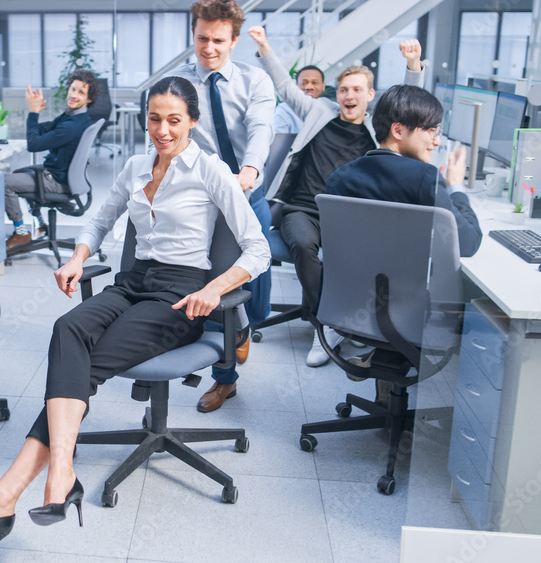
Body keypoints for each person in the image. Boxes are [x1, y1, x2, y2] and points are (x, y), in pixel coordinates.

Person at [0, 76, 270, 557]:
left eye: (174, 120)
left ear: (191, 121)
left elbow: (258, 250)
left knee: (90, 359)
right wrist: (78, 256)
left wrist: (214, 288)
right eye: (154, 119)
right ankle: (59, 474)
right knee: (68, 327)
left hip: (180, 294)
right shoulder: (135, 165)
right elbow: (100, 220)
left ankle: (8, 494)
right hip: (132, 282)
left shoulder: (211, 172)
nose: (163, 130)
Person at [251, 27, 425, 367]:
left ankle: (342, 324)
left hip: (350, 216)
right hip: (301, 208)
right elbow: (285, 88)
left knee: (353, 258)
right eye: (344, 89)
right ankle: (325, 326)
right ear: (337, 93)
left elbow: (408, 106)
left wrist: (413, 64)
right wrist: (265, 48)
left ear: (370, 95)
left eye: (357, 90)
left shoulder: (379, 132)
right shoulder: (318, 111)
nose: (349, 94)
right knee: (303, 246)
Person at [167, 0, 276, 413]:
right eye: (201, 38)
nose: (208, 47)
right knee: (210, 291)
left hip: (248, 195)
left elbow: (260, 128)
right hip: (203, 204)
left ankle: (245, 328)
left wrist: (248, 171)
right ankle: (224, 379)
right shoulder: (178, 84)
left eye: (217, 40)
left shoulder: (255, 82)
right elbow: (166, 136)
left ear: (233, 41)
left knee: (255, 301)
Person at [327, 84, 483, 257]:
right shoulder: (425, 178)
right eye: (432, 131)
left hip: (344, 283)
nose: (437, 141)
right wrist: (454, 187)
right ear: (398, 131)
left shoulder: (340, 176)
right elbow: (467, 243)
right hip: (406, 284)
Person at [3, 70, 97, 249]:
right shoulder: (75, 117)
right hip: (60, 175)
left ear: (89, 99)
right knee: (18, 173)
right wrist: (36, 113)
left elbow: (33, 144)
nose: (74, 95)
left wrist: (33, 111)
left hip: (56, 180)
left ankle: (21, 233)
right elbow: (41, 130)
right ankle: (40, 224)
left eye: (81, 92)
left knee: (4, 182)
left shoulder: (71, 126)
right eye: (73, 89)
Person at [274, 65, 326, 134]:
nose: (309, 87)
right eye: (304, 83)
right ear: (296, 85)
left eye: (314, 83)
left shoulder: (331, 110)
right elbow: (278, 141)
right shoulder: (284, 111)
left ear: (323, 86)